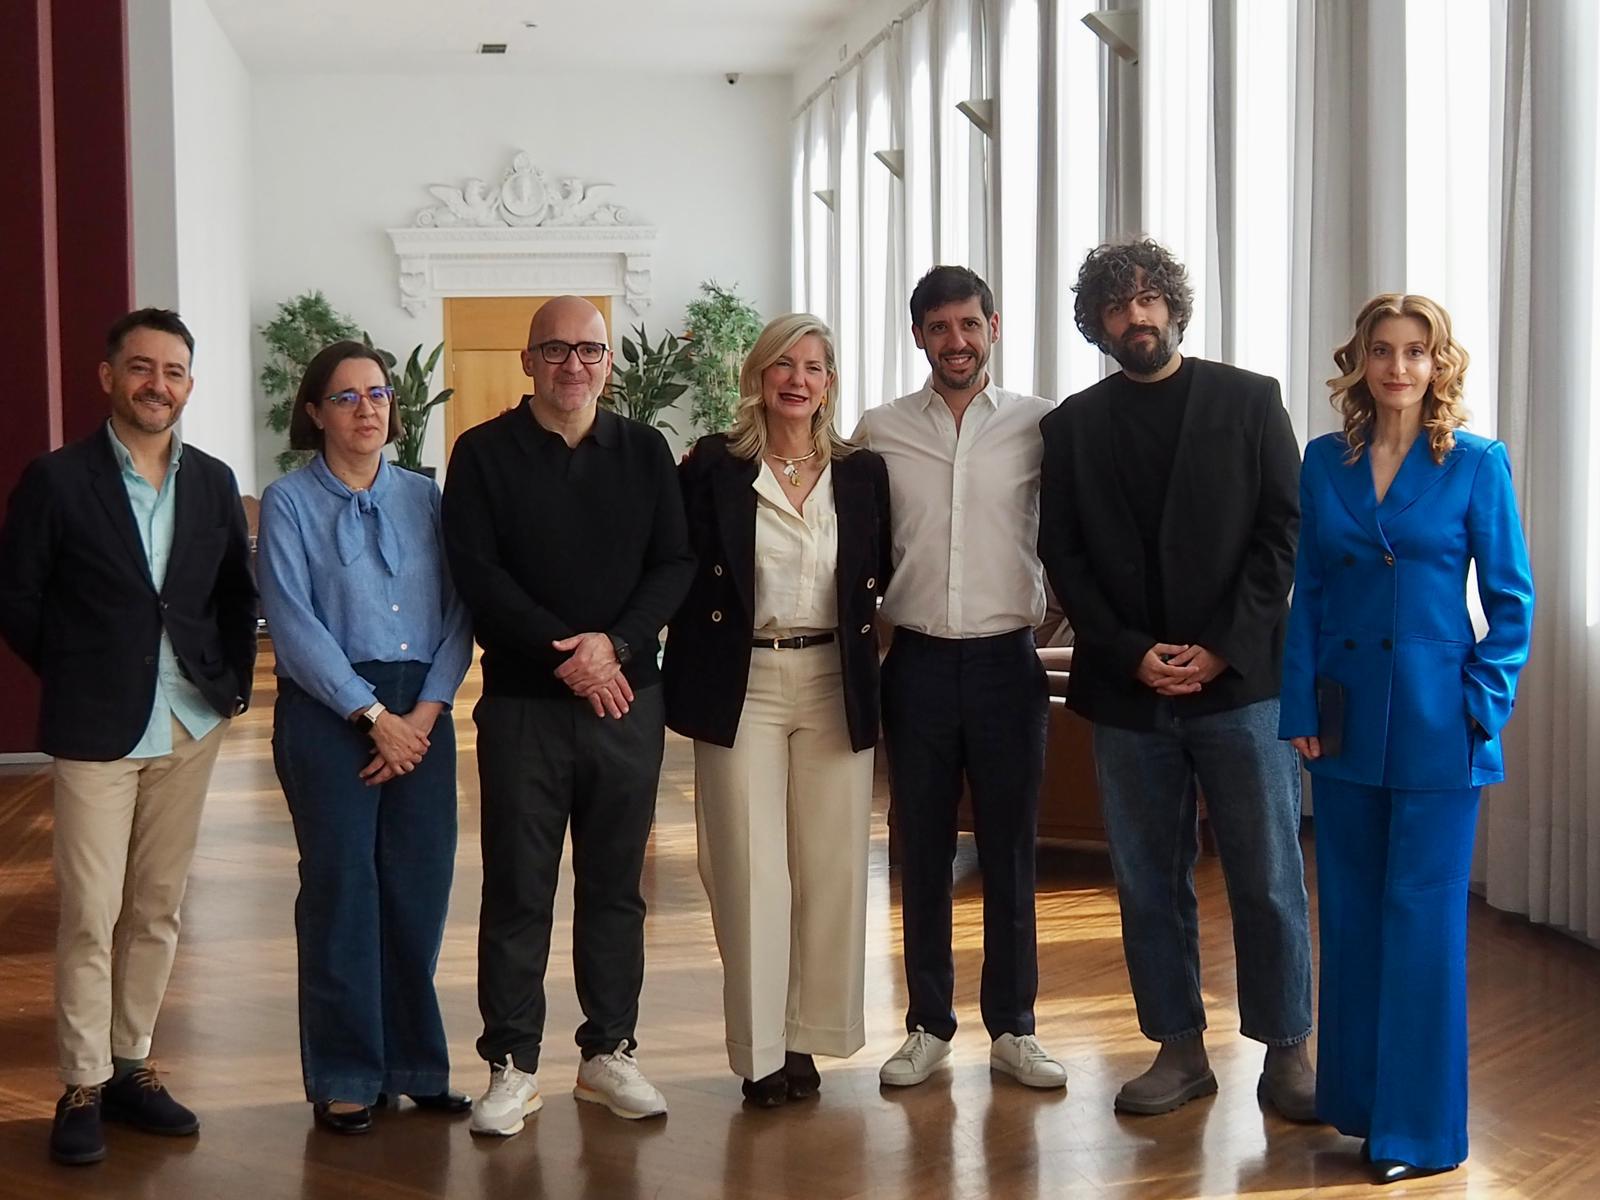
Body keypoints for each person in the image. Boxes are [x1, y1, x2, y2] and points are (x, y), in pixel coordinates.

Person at [1037, 238, 1316, 1119]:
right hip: (1127, 690)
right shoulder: (1072, 426)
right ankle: (1179, 1048)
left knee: (1267, 875)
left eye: (1150, 299)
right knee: (1147, 878)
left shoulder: (1250, 400)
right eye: (1117, 306)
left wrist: (1226, 646)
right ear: (1097, 323)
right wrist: (1128, 650)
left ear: (1175, 307)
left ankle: (1288, 1051)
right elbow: (1063, 556)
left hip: (1242, 685)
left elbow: (1285, 532)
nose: (1136, 317)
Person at [1280, 294, 1533, 1183]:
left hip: (1439, 727)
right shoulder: (1325, 463)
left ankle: (1417, 1133)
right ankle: (1357, 1107)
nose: (1397, 367)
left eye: (1415, 352)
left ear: (1437, 365)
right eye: (1382, 351)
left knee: (1421, 924)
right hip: (1344, 725)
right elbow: (1307, 592)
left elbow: (1511, 603)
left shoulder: (1475, 464)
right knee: (1348, 915)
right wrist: (1301, 711)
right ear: (1360, 361)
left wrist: (1480, 704)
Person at [0, 308, 257, 1166]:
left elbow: (231, 591)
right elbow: (19, 597)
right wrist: (77, 669)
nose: (158, 384)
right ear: (108, 377)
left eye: (175, 370)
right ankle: (78, 1081)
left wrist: (225, 688)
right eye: (141, 368)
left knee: (156, 908)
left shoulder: (214, 481)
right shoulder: (57, 479)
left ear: (190, 384)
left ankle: (130, 1066)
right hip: (95, 729)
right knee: (89, 912)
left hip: (189, 722)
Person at [442, 295, 695, 1136]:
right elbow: (477, 576)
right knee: (518, 889)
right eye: (556, 350)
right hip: (522, 708)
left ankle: (608, 1053)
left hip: (626, 699)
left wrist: (612, 648)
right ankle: (512, 1065)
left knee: (616, 887)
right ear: (528, 361)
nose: (573, 366)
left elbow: (674, 563)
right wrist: (570, 658)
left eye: (589, 351)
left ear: (608, 363)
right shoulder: (480, 454)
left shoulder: (646, 451)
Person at [663, 314, 891, 1107]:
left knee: (830, 870)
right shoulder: (712, 469)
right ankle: (760, 1051)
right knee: (747, 868)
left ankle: (810, 1038)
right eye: (783, 365)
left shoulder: (862, 474)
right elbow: (680, 573)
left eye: (815, 366)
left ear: (831, 383)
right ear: (757, 377)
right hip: (743, 683)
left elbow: (880, 575)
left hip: (835, 679)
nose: (798, 379)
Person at [855, 266, 1067, 1091]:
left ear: (994, 327)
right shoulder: (878, 430)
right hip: (913, 664)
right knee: (924, 850)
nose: (956, 342)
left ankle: (1015, 1027)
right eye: (939, 327)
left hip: (1008, 663)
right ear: (917, 335)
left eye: (969, 325)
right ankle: (927, 1025)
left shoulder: (1041, 425)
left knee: (1013, 849)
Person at [257, 340, 474, 1135]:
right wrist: (371, 716)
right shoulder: (289, 502)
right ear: (315, 411)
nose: (366, 409)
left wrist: (424, 712)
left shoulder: (426, 496)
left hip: (423, 712)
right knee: (343, 894)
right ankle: (347, 1072)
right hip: (328, 712)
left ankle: (416, 1065)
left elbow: (461, 610)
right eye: (345, 397)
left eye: (377, 394)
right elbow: (291, 621)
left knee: (418, 892)